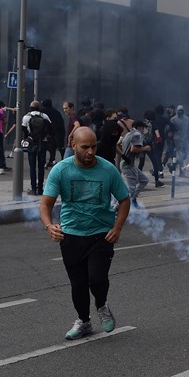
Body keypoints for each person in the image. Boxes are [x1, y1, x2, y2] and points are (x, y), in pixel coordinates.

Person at [40, 127, 131, 340]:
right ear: (73, 146)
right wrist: (49, 225)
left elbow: (124, 199)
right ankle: (84, 321)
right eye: (85, 147)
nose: (90, 151)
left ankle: (101, 305)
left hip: (101, 234)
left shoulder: (108, 170)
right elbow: (46, 204)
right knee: (78, 284)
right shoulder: (61, 170)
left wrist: (117, 228)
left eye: (93, 146)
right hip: (71, 234)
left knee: (97, 279)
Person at [21, 100, 51, 195]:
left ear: (30, 108)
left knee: (32, 167)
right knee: (41, 167)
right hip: (43, 143)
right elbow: (51, 129)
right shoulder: (44, 116)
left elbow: (24, 130)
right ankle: (40, 189)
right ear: (39, 107)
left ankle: (33, 189)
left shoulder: (26, 117)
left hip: (31, 143)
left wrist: (28, 138)